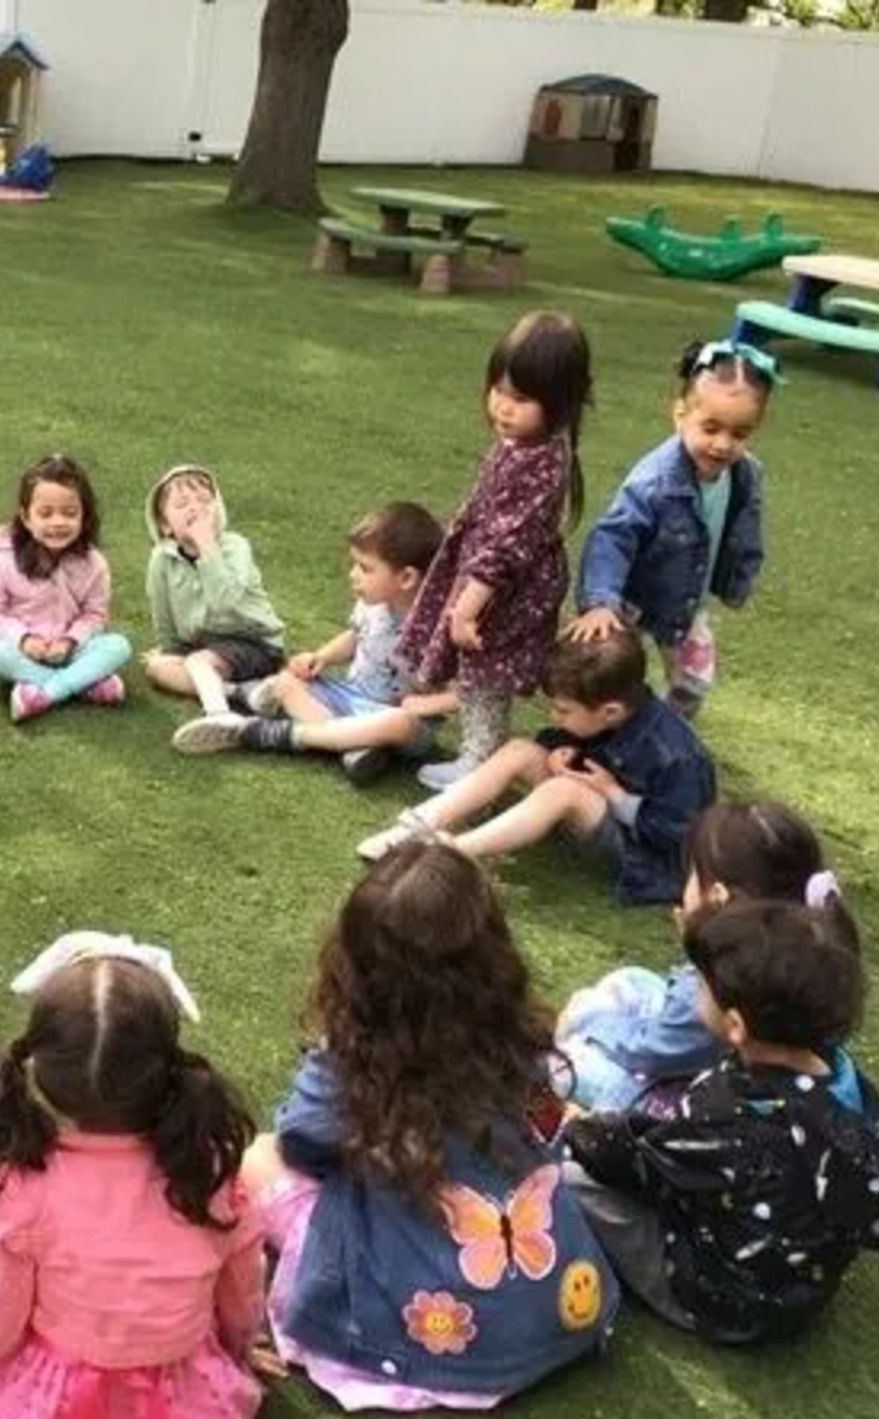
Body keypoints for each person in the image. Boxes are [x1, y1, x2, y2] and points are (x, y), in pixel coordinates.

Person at [243, 843, 616, 1411]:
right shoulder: (520, 1040)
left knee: (257, 1157)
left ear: (356, 965)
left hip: (428, 1319)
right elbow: (547, 1121)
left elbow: (302, 1141)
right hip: (559, 1305)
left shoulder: (351, 1060)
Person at [0, 935, 265, 1419]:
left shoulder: (24, 1186)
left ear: (40, 1073)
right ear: (165, 1071)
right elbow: (241, 1284)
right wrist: (240, 1348)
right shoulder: (209, 1169)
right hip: (180, 1400)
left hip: (59, 1403)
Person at [564, 900, 879, 1343]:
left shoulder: (727, 1109)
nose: (695, 989)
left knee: (567, 1179)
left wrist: (578, 1127)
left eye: (700, 984)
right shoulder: (848, 1083)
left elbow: (636, 1166)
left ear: (735, 1024)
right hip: (804, 1292)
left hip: (724, 1298)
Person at [358, 628, 715, 907]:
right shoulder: (605, 713)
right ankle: (418, 825)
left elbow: (676, 837)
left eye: (563, 711)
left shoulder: (677, 756)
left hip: (647, 857)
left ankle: (449, 853)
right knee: (521, 750)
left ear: (610, 712)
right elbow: (561, 739)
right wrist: (559, 751)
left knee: (564, 792)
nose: (555, 717)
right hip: (597, 808)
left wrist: (612, 793)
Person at [396, 311, 593, 790]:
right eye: (498, 391)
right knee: (474, 669)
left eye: (521, 399)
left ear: (560, 402)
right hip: (488, 578)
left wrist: (466, 608)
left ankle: (479, 763)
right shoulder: (523, 444)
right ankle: (456, 737)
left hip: (504, 591)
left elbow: (505, 547)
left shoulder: (539, 462)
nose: (503, 407)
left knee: (485, 674)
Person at [556, 801, 852, 1113]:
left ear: (716, 898)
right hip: (748, 1069)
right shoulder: (799, 954)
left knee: (567, 1061)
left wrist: (592, 1023)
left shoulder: (725, 981)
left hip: (697, 1095)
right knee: (633, 980)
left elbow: (652, 1052)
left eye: (692, 875)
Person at [172, 502, 452, 783]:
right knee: (285, 682)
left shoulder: (438, 627)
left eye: (365, 568)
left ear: (406, 578)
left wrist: (424, 705)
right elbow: (357, 637)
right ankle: (352, 744)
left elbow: (466, 693)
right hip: (350, 696)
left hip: (399, 716)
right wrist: (322, 657)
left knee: (397, 723)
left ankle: (266, 733)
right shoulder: (372, 605)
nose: (353, 574)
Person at [570, 340, 775, 719]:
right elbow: (613, 537)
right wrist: (600, 602)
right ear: (681, 414)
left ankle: (665, 730)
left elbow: (745, 528)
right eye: (710, 428)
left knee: (693, 682)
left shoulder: (746, 473)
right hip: (632, 599)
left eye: (740, 434)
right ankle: (597, 731)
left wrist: (737, 580)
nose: (723, 445)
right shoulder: (654, 481)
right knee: (607, 674)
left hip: (685, 603)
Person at [0, 455, 133, 722]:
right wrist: (24, 640)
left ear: (84, 515)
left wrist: (70, 641)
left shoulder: (94, 563)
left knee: (119, 646)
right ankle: (86, 684)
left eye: (69, 513)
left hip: (73, 650)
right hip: (26, 652)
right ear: (26, 517)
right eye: (45, 513)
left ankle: (45, 693)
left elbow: (95, 615)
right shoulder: (3, 561)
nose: (58, 522)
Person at [141, 463, 287, 716]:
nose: (195, 508)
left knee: (198, 662)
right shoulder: (161, 559)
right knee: (157, 667)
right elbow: (162, 613)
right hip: (207, 647)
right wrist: (171, 652)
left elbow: (224, 601)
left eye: (205, 501)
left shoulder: (236, 547)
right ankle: (242, 692)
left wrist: (206, 542)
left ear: (218, 513)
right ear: (165, 524)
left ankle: (219, 715)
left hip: (254, 643)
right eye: (182, 504)